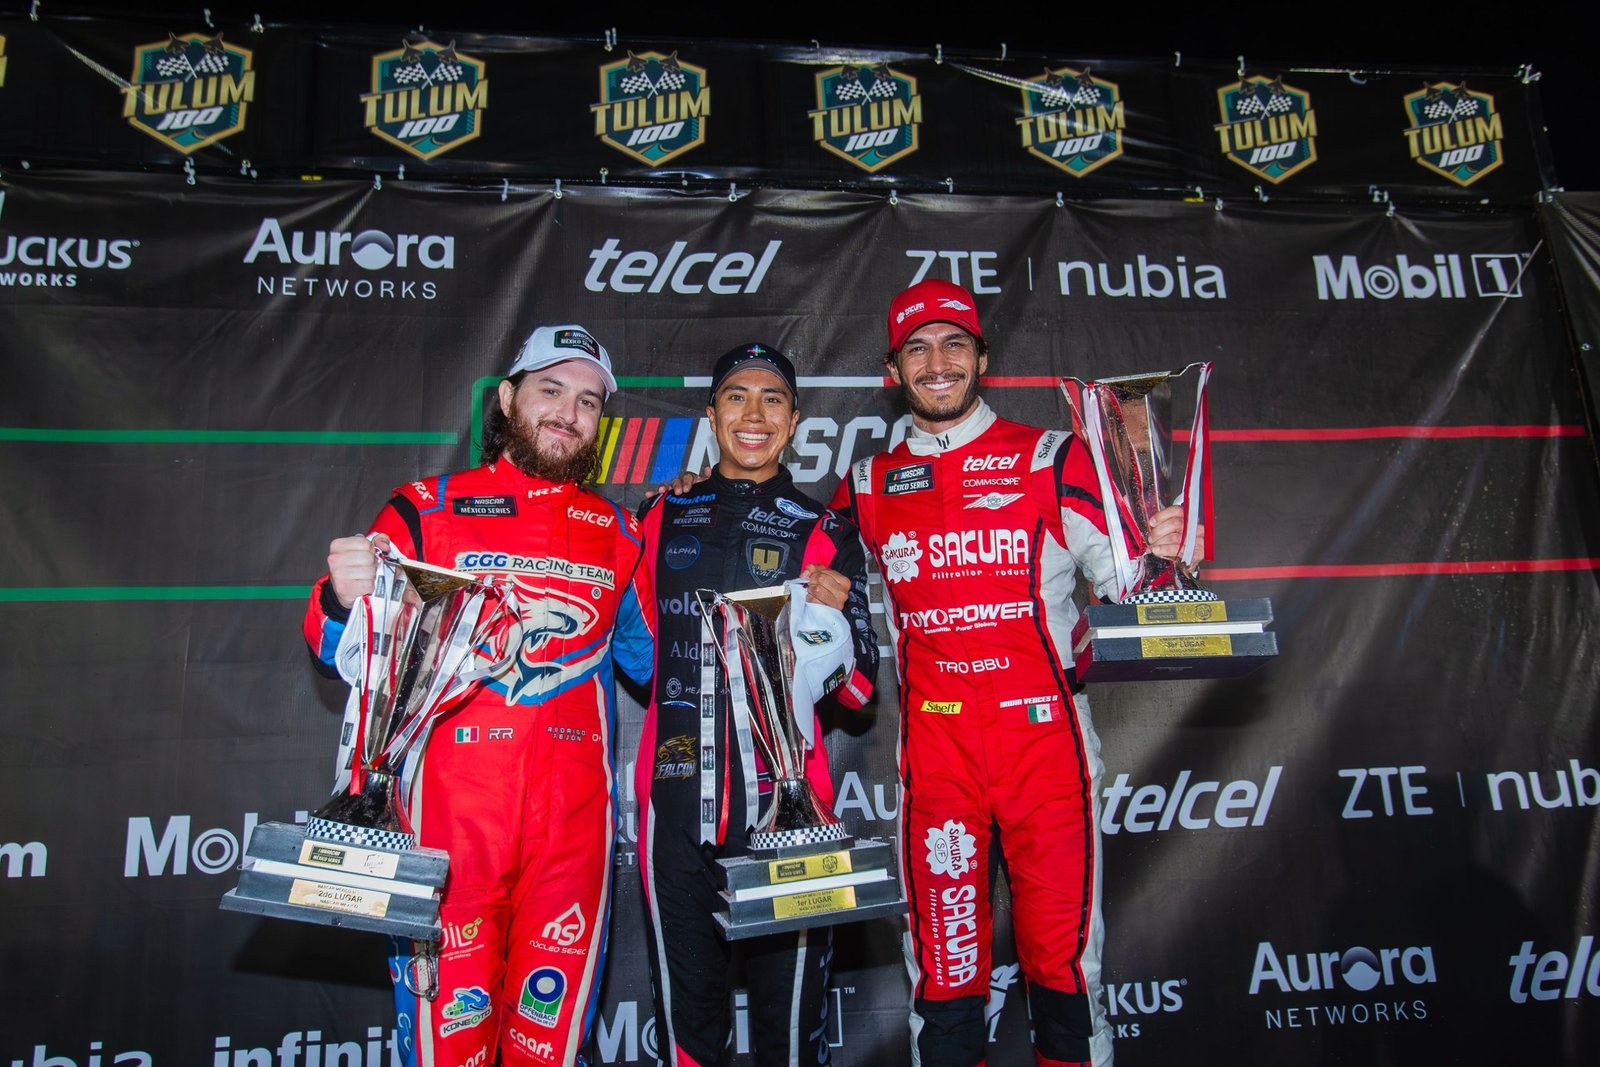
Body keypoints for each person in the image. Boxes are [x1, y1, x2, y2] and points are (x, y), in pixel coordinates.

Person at [829, 281, 1192, 1067]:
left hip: (1045, 745)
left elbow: (1127, 584)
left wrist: (1162, 548)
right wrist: (695, 490)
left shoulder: (1050, 456)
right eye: (917, 349)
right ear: (893, 370)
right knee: (947, 976)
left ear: (982, 359)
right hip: (940, 754)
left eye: (953, 344)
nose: (937, 363)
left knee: (1061, 967)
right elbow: (805, 582)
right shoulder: (866, 484)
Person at [303, 325, 656, 1067]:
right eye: (550, 390)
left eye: (588, 401)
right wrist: (340, 599)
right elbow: (336, 648)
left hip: (572, 841)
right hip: (447, 834)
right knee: (446, 1049)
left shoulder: (621, 533)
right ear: (506, 398)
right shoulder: (425, 508)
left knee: (549, 1051)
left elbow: (655, 665)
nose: (568, 413)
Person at [634, 342, 879, 1067]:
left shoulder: (827, 530)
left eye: (772, 399)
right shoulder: (658, 514)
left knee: (790, 1035)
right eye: (735, 396)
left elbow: (862, 692)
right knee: (690, 1031)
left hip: (789, 815)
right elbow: (634, 656)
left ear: (795, 420)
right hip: (673, 806)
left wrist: (833, 624)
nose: (753, 413)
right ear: (710, 415)